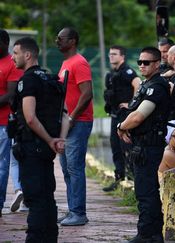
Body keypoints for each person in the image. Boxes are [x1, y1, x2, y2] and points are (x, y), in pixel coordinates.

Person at [11, 36, 68, 243]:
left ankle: (35, 239)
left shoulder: (28, 81)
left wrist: (49, 139)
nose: (13, 57)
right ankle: (50, 237)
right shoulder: (51, 79)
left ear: (27, 55)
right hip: (46, 149)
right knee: (47, 196)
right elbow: (65, 115)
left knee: (34, 197)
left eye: (15, 53)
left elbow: (30, 117)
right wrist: (58, 139)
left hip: (31, 146)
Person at [117, 47, 170, 243]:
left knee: (146, 191)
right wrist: (122, 126)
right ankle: (152, 233)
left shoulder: (156, 86)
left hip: (149, 145)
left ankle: (147, 234)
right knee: (145, 190)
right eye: (139, 62)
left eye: (146, 62)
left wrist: (121, 127)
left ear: (157, 64)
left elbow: (139, 117)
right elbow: (133, 110)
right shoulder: (146, 85)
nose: (141, 65)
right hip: (142, 145)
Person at [56, 27, 93, 226]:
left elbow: (87, 94)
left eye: (61, 38)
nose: (57, 41)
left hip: (78, 123)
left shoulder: (79, 62)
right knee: (66, 168)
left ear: (72, 41)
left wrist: (71, 118)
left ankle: (79, 212)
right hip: (67, 123)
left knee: (75, 168)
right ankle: (72, 211)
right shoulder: (65, 63)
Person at [103, 45, 140, 192]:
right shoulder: (112, 73)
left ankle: (131, 179)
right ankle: (119, 178)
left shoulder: (127, 71)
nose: (111, 56)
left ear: (122, 56)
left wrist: (131, 104)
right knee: (115, 147)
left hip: (125, 115)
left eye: (114, 54)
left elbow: (137, 84)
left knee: (127, 146)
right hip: (115, 114)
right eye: (110, 54)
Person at [0, 29, 23, 217]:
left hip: (4, 123)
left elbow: (10, 94)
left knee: (3, 164)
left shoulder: (11, 64)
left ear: (4, 43)